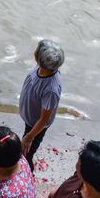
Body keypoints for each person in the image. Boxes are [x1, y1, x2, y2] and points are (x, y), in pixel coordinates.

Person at [19, 39, 64, 172]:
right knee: (24, 150)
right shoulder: (41, 69)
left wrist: (29, 137)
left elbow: (44, 119)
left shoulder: (51, 89)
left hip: (36, 126)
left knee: (26, 154)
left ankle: (27, 176)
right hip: (30, 119)